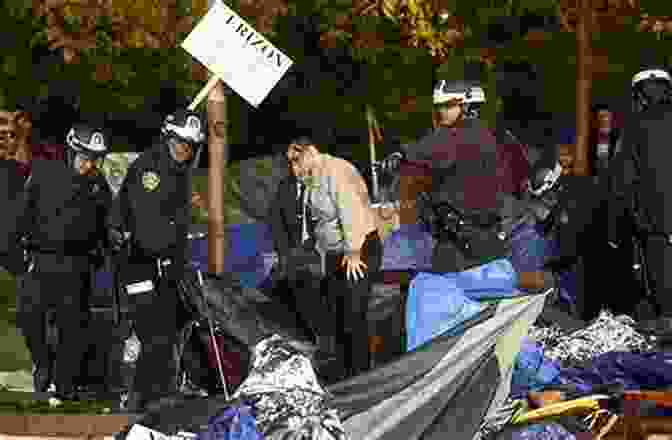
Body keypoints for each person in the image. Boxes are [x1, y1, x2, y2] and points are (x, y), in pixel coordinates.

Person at [108, 109, 206, 411]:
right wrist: (172, 253)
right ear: (167, 138)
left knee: (169, 332)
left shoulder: (177, 172)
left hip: (164, 267)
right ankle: (137, 402)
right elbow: (147, 226)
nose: (184, 150)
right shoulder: (151, 169)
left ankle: (157, 398)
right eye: (180, 143)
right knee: (152, 334)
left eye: (190, 145)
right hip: (142, 264)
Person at [16, 123, 112, 400]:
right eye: (85, 157)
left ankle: (65, 384)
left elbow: (106, 224)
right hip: (40, 260)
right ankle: (42, 364)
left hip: (78, 264)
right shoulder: (45, 173)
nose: (90, 164)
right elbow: (23, 213)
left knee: (72, 327)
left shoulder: (98, 185)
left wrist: (104, 249)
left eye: (95, 159)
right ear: (71, 152)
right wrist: (18, 251)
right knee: (30, 318)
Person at [285, 133, 383, 379]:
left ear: (310, 153)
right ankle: (345, 374)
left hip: (358, 248)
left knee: (353, 314)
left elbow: (350, 210)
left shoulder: (335, 171)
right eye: (290, 162)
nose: (293, 168)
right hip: (334, 252)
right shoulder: (311, 178)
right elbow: (317, 221)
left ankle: (362, 376)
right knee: (336, 315)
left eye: (296, 160)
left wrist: (352, 251)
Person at [609, 66, 672, 333]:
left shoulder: (634, 126)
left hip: (653, 220)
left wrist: (619, 220)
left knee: (659, 277)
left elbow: (622, 179)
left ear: (639, 95)